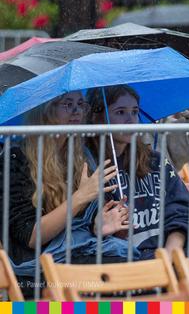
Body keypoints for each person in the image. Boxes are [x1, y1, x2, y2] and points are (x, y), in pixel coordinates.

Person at [2, 92, 132, 293]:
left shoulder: (81, 155)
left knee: (138, 267)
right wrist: (80, 197)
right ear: (45, 111)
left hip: (80, 253)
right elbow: (31, 236)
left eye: (81, 104)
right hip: (37, 276)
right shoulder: (16, 157)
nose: (76, 111)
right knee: (125, 273)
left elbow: (82, 227)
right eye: (67, 104)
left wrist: (99, 226)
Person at [86, 85, 189, 260]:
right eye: (120, 112)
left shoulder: (155, 160)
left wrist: (172, 251)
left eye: (134, 112)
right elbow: (83, 232)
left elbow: (182, 209)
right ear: (98, 118)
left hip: (166, 255)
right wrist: (100, 230)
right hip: (120, 261)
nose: (131, 120)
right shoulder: (87, 169)